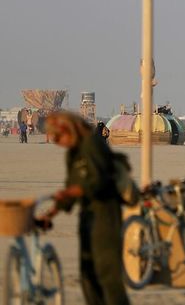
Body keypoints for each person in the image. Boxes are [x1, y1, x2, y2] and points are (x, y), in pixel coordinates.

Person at [40, 112, 136, 305]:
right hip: (87, 215)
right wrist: (53, 211)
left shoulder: (93, 144)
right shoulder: (72, 152)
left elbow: (100, 180)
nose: (58, 142)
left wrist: (76, 191)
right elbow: (70, 187)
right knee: (87, 275)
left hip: (106, 213)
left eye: (59, 137)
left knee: (108, 274)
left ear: (70, 129)